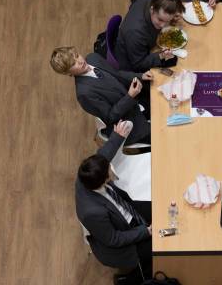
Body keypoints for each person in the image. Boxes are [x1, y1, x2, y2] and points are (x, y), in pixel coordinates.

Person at [76, 120, 152, 283]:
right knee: (160, 247)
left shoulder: (86, 175)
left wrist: (117, 137)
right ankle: (131, 279)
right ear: (105, 179)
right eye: (109, 169)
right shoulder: (93, 212)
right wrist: (146, 232)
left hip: (128, 212)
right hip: (122, 245)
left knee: (160, 207)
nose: (112, 167)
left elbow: (102, 156)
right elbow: (114, 239)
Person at [50, 46, 152, 145]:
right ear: (68, 73)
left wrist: (140, 76)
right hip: (130, 123)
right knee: (162, 134)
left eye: (77, 56)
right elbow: (110, 116)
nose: (80, 61)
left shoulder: (93, 58)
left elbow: (117, 74)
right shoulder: (84, 94)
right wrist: (130, 96)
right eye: (73, 64)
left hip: (136, 103)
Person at [115, 0, 184, 72]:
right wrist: (161, 56)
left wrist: (172, 17)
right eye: (160, 20)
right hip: (129, 65)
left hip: (141, 48)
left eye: (167, 21)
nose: (163, 26)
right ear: (152, 10)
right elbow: (138, 64)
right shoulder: (135, 33)